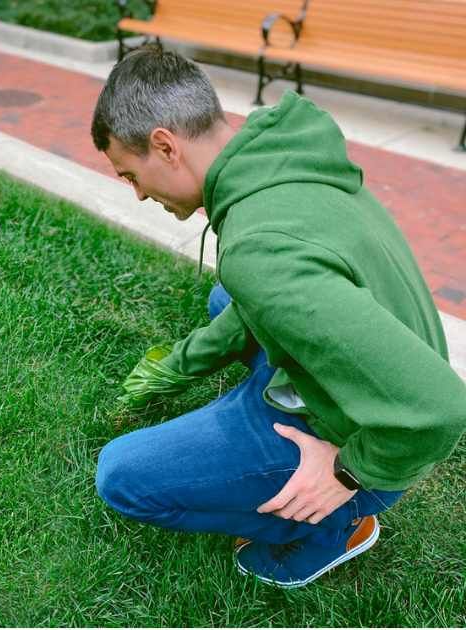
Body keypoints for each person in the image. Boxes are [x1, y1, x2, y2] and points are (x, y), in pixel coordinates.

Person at [89, 47, 466, 587]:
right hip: (387, 360)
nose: (140, 194)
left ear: (165, 146)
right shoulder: (279, 154)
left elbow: (441, 407)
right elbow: (254, 302)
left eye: (131, 175)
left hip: (379, 436)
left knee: (123, 477)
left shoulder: (260, 249)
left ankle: (332, 527)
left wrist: (349, 473)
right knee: (228, 297)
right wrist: (174, 367)